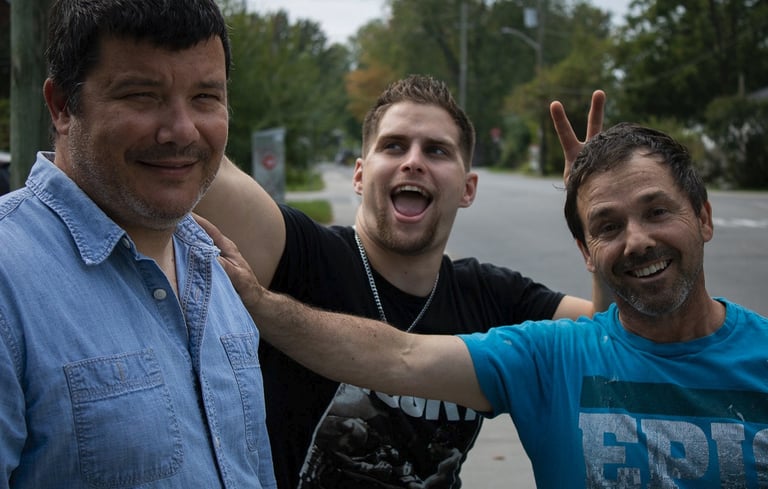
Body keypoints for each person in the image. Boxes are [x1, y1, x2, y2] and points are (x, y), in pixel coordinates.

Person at [203, 121, 768, 488]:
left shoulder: (497, 297)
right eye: (608, 226)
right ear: (586, 252)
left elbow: (609, 327)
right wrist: (261, 304)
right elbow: (399, 356)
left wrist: (593, 194)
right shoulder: (546, 358)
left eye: (657, 211)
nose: (638, 240)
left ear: (705, 217)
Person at [195, 75, 609, 488]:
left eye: (436, 150)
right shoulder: (300, 254)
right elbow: (204, 163)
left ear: (467, 189)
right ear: (360, 176)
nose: (413, 161)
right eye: (393, 146)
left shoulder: (491, 297)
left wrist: (597, 211)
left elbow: (609, 336)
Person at [0, 1, 276, 487]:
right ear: (61, 106)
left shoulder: (214, 267)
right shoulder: (9, 279)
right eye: (142, 96)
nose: (182, 131)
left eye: (205, 97)